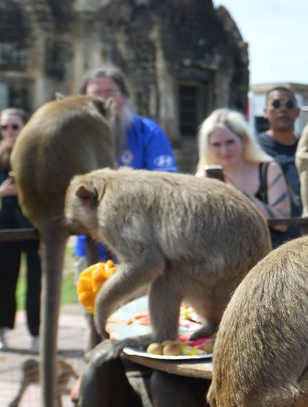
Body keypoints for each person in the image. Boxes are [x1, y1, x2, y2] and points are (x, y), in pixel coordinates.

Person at [75, 66, 177, 273]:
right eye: (95, 94)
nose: (103, 100)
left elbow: (168, 187)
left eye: (111, 93)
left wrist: (116, 176)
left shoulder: (148, 131)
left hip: (141, 249)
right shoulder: (74, 137)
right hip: (90, 248)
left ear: (124, 96)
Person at [197, 109, 292, 245]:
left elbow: (282, 223)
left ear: (244, 140)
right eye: (216, 145)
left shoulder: (268, 169)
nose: (224, 151)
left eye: (230, 142)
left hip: (267, 252)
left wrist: (236, 193)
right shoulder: (202, 179)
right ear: (208, 147)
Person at [0, 108, 38, 351]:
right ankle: (2, 330)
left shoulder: (37, 154)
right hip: (6, 222)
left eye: (14, 126)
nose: (9, 132)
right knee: (5, 278)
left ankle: (37, 333)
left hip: (33, 221)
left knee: (36, 282)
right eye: (4, 127)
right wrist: (4, 191)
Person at [255, 86, 304, 244]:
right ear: (265, 111)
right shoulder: (253, 148)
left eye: (289, 104)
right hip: (268, 239)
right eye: (276, 104)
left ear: (297, 111)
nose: (283, 109)